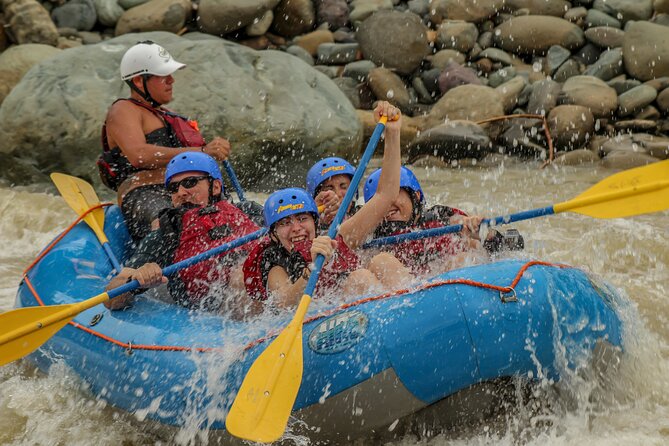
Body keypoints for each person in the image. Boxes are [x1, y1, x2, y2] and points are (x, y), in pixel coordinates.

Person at [243, 102, 412, 308]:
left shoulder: (334, 236)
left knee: (382, 260)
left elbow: (385, 194)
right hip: (323, 324)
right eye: (285, 223)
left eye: (302, 219)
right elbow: (283, 302)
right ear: (273, 234)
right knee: (358, 279)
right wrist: (311, 269)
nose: (296, 228)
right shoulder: (275, 260)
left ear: (315, 222)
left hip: (364, 307)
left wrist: (393, 134)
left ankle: (413, 311)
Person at [98, 40, 232, 241]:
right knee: (171, 222)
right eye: (163, 76)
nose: (171, 80)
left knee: (235, 216)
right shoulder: (123, 109)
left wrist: (215, 151)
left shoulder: (167, 115)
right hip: (145, 193)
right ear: (137, 81)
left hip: (186, 191)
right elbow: (139, 156)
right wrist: (202, 152)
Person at [104, 152, 260, 314]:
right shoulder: (167, 234)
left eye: (190, 182)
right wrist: (138, 277)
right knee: (241, 277)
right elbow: (112, 298)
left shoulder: (248, 212)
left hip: (263, 293)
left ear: (215, 187)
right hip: (214, 314)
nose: (181, 192)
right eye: (173, 188)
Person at [362, 166, 524, 275]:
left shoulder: (442, 218)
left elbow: (511, 246)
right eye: (381, 200)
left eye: (394, 194)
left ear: (415, 196)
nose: (387, 204)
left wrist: (482, 232)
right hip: (412, 297)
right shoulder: (373, 239)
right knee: (380, 262)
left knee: (466, 253)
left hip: (452, 285)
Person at [305, 157, 359, 229]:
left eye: (343, 187)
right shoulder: (310, 229)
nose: (338, 194)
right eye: (329, 189)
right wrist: (316, 218)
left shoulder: (364, 216)